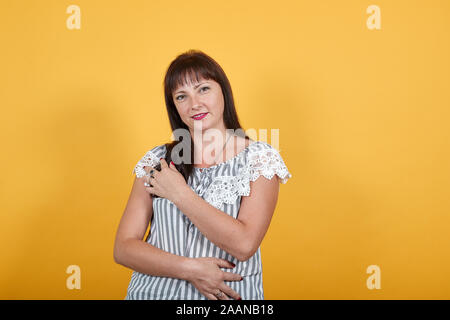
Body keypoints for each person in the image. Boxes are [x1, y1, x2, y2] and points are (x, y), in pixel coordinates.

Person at [113, 49, 292, 300]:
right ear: (174, 106)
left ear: (223, 92)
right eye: (181, 96)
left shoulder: (260, 159)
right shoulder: (157, 160)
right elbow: (124, 248)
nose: (194, 103)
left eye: (203, 89)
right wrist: (190, 269)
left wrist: (179, 193)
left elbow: (243, 245)